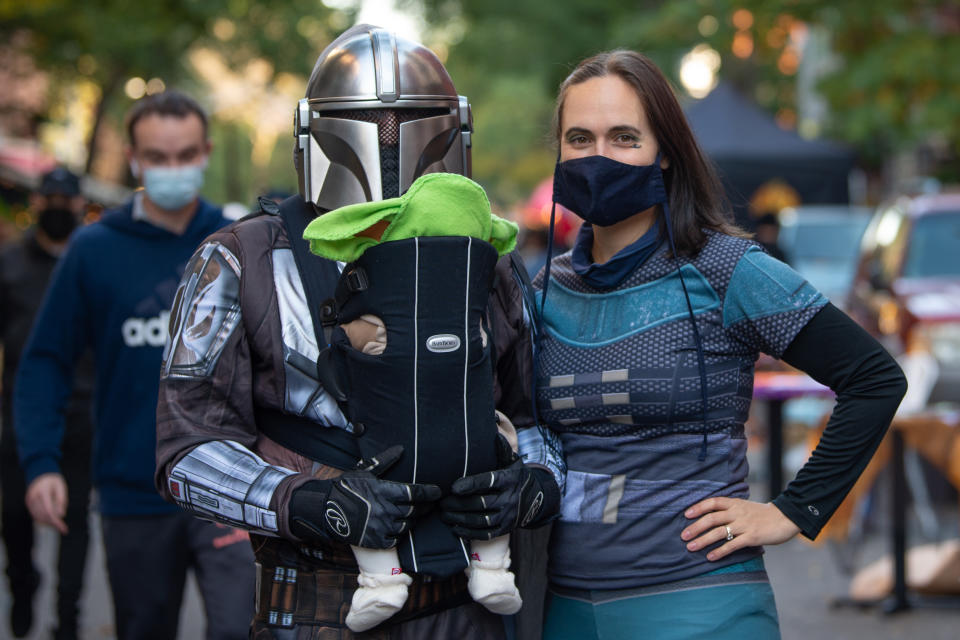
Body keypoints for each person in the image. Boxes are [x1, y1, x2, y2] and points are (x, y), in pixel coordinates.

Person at [154, 25, 562, 639]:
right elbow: (184, 450)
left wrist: (528, 486)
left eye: (409, 122)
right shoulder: (240, 259)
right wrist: (305, 501)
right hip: (318, 607)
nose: (388, 142)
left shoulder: (489, 260)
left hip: (466, 605)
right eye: (364, 122)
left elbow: (534, 418)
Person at [532, 50, 907, 638]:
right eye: (580, 138)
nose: (598, 156)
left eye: (624, 137)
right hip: (563, 609)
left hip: (700, 605)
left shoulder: (726, 269)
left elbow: (874, 378)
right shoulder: (543, 290)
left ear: (665, 155)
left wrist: (792, 510)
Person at [14, 91, 256, 640]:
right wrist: (41, 461)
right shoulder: (92, 250)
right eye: (158, 157)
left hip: (231, 486)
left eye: (185, 154)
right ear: (134, 158)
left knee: (242, 627)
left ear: (206, 152)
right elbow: (46, 361)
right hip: (133, 490)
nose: (172, 169)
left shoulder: (241, 242)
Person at [1, 167, 93, 639]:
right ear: (37, 203)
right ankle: (22, 586)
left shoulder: (90, 261)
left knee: (74, 521)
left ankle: (68, 618)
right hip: (20, 416)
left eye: (66, 198)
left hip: (82, 416)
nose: (57, 206)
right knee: (14, 516)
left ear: (79, 204)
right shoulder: (10, 265)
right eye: (49, 197)